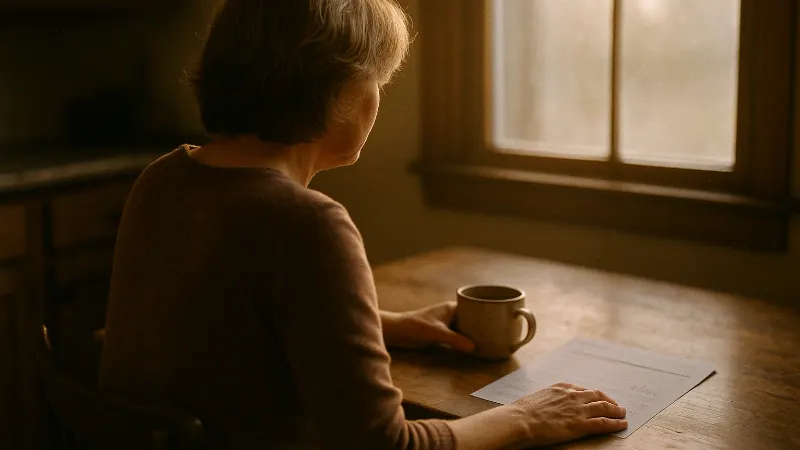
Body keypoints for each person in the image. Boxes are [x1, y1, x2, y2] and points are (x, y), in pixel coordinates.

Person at [98, 0, 628, 448]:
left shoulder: (163, 178)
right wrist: (530, 416)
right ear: (340, 90)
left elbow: (222, 321)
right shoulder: (308, 225)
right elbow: (383, 444)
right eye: (377, 80)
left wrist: (384, 323)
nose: (377, 97)